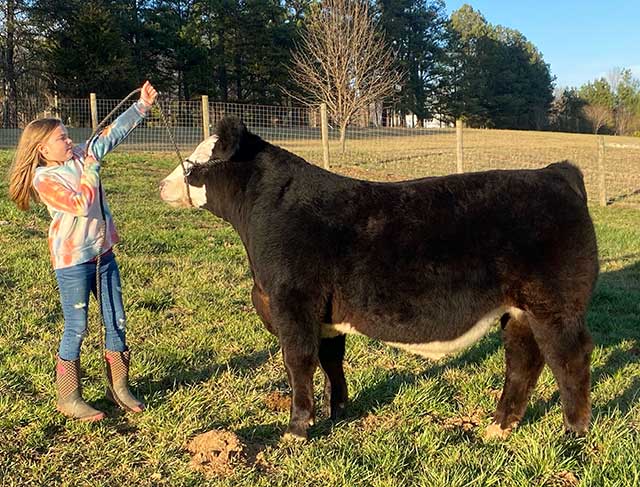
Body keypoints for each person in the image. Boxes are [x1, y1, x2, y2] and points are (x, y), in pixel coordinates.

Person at [8, 81, 158, 421]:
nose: (69, 140)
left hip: (103, 255)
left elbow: (111, 134)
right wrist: (91, 166)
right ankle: (68, 397)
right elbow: (81, 203)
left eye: (67, 135)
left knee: (116, 321)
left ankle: (119, 387)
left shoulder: (79, 155)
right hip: (73, 262)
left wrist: (142, 106)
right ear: (43, 150)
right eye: (61, 138)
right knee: (77, 327)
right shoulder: (44, 179)